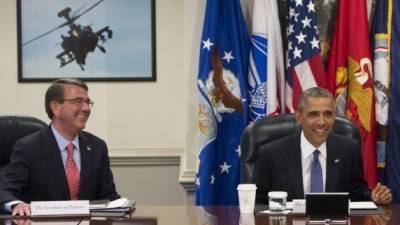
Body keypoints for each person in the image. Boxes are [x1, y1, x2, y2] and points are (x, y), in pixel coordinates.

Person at [0, 78, 120, 216]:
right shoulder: (28, 147)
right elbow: (4, 190)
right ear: (55, 107)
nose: (86, 108)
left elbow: (108, 196)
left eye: (88, 102)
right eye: (78, 101)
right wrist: (17, 204)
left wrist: (123, 205)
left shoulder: (97, 147)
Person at [254, 87, 392, 204]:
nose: (321, 122)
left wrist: (373, 196)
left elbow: (356, 192)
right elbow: (259, 203)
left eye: (327, 114)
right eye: (313, 114)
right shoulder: (271, 154)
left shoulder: (349, 149)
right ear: (299, 118)